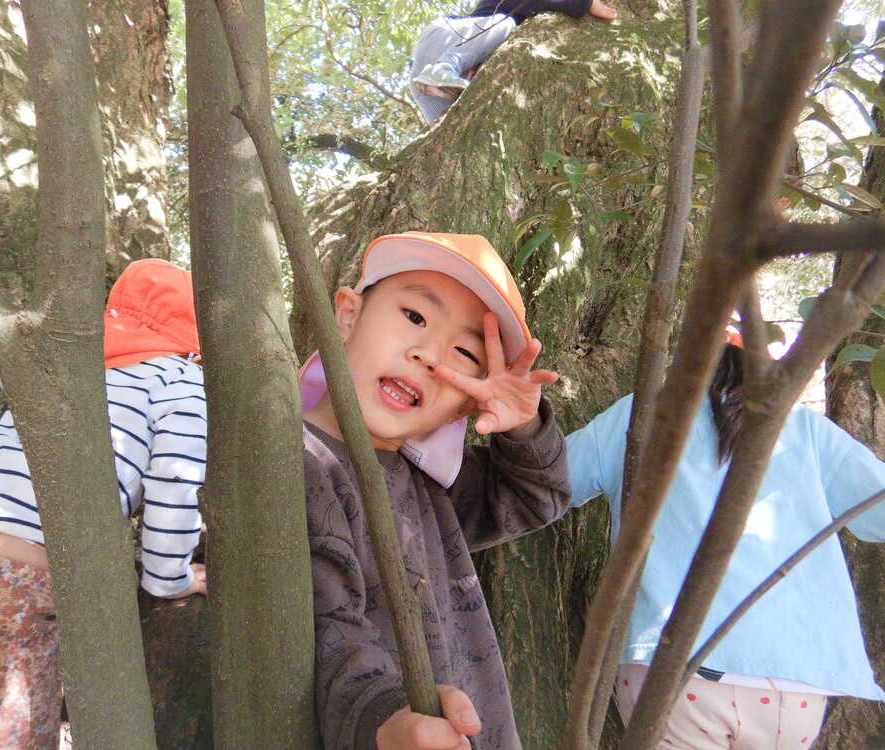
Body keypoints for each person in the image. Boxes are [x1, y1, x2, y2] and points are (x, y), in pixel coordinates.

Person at [300, 231, 569, 749]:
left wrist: (523, 428)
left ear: (465, 406)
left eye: (465, 353)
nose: (428, 354)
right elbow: (325, 627)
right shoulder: (299, 464)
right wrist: (385, 720)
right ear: (348, 314)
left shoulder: (432, 485)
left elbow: (539, 499)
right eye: (415, 317)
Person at [565, 335, 885, 749]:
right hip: (794, 682)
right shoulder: (805, 427)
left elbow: (554, 481)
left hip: (669, 671)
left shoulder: (640, 414)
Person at [0, 258, 207, 749]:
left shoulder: (62, 366)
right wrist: (170, 578)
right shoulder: (177, 379)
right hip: (21, 577)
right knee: (14, 729)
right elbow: (174, 486)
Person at [410, 0, 617, 123]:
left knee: (452, 135)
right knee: (505, 22)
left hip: (425, 84)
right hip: (444, 41)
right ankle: (445, 67)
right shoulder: (495, 13)